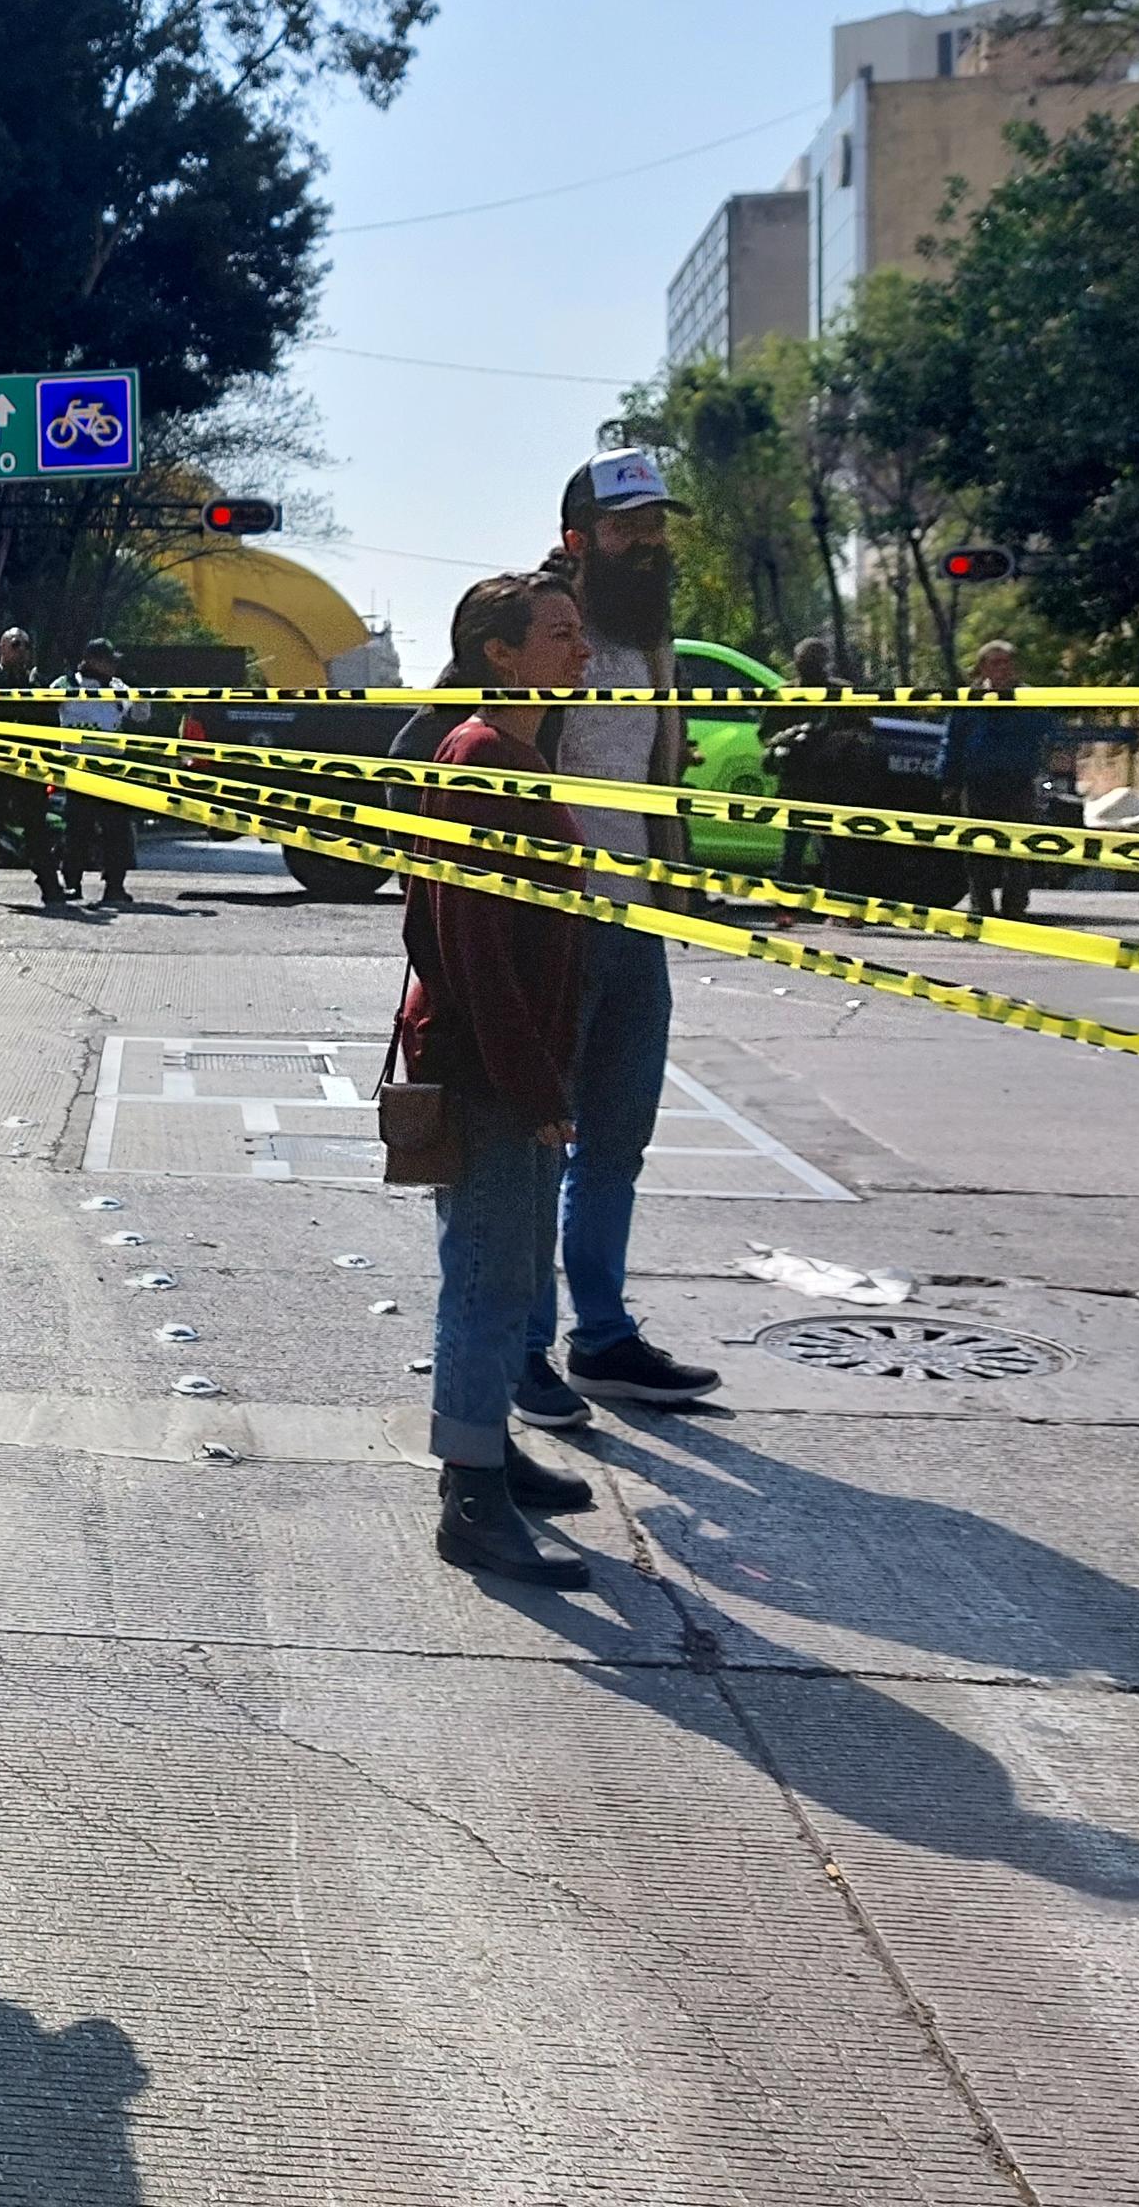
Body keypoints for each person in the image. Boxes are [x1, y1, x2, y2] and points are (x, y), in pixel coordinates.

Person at [399, 572, 602, 1587]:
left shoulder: (517, 755)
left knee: (514, 1275)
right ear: (501, 653)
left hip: (515, 1070)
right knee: (484, 1282)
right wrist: (533, 1089)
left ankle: (492, 1451)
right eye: (560, 634)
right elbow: (469, 945)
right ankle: (470, 1495)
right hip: (491, 1078)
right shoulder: (481, 758)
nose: (582, 652)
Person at [521, 452, 723, 1429]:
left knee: (617, 1143)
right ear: (577, 538)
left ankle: (600, 1338)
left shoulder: (651, 643)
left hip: (635, 926)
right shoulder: (525, 632)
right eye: (627, 525)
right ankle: (517, 1348)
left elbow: (658, 780)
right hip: (547, 934)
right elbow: (427, 755)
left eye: (655, 524)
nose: (648, 541)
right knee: (529, 1146)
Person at [946, 640, 1055, 919]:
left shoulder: (1029, 699)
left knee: (1017, 848)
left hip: (1017, 781)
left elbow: (1047, 732)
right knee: (977, 849)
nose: (1002, 669)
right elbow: (953, 741)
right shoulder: (969, 699)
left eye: (1007, 662)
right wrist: (949, 780)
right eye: (995, 663)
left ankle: (1014, 907)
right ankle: (981, 906)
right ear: (982, 668)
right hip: (978, 783)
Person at [0, 624, 64, 905]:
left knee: (37, 829)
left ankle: (50, 886)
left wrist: (51, 766)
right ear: (1, 648)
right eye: (15, 645)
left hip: (29, 770)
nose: (21, 651)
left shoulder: (37, 686)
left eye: (25, 645)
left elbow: (51, 728)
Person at [51, 636, 141, 905]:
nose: (113, 666)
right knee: (77, 831)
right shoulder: (64, 685)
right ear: (91, 661)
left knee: (117, 831)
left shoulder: (118, 686)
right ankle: (72, 883)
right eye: (108, 660)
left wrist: (140, 694)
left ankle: (115, 885)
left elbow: (140, 715)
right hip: (79, 769)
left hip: (112, 769)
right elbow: (39, 710)